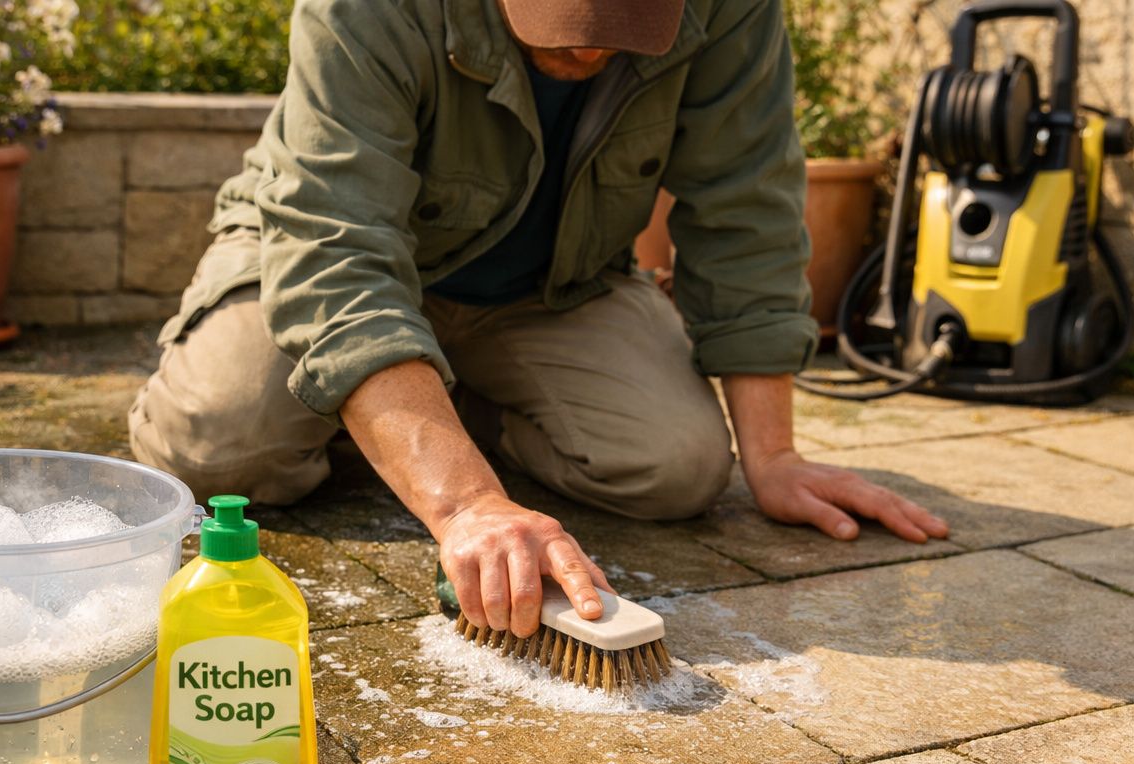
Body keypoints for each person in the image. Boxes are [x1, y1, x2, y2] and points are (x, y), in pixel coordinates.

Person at [129, 0, 949, 639]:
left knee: (682, 468)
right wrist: (464, 506)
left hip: (556, 284)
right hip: (321, 248)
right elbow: (336, 248)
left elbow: (748, 207)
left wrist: (773, 455)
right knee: (218, 447)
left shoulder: (732, 10)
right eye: (564, 21)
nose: (591, 51)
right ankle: (393, 406)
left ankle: (407, 410)